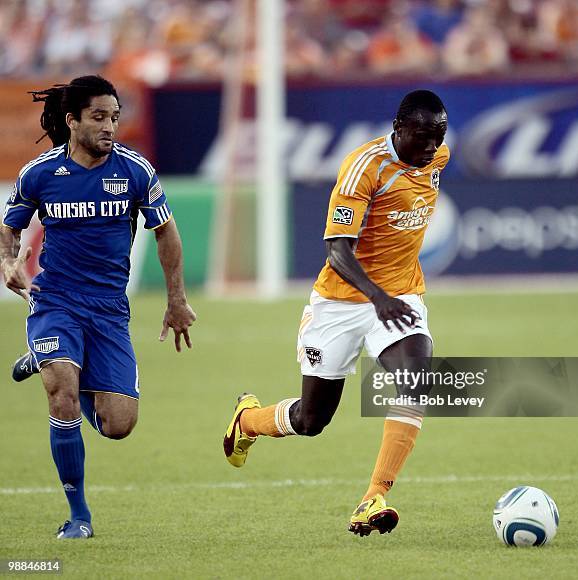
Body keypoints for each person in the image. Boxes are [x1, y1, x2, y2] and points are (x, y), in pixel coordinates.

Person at [223, 89, 449, 537]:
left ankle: (373, 497)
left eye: (437, 138)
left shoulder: (436, 158)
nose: (430, 149)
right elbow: (336, 249)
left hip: (402, 295)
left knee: (417, 380)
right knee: (312, 420)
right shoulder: (363, 168)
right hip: (341, 302)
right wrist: (376, 296)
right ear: (397, 128)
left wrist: (391, 297)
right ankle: (246, 421)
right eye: (421, 138)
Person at [0, 75, 196, 539]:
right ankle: (78, 516)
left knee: (118, 425)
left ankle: (46, 359)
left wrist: (177, 300)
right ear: (72, 121)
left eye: (114, 117)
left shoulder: (135, 171)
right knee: (62, 393)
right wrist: (8, 263)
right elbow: (9, 228)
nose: (110, 127)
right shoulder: (40, 174)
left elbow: (165, 231)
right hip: (55, 301)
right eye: (99, 117)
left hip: (109, 309)